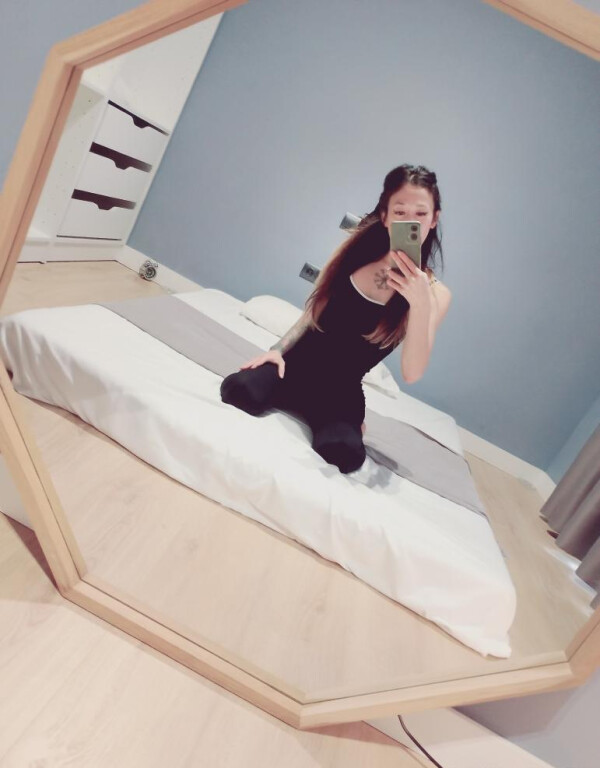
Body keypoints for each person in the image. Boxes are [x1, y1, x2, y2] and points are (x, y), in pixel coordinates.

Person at [220, 164, 452, 474]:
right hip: (294, 367)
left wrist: (420, 304)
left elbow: (412, 372)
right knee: (238, 390)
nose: (410, 222)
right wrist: (277, 350)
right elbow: (315, 309)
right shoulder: (356, 249)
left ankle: (348, 426)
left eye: (421, 213)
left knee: (343, 454)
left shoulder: (436, 295)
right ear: (385, 215)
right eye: (400, 212)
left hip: (340, 393)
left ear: (434, 218)